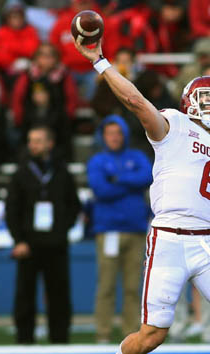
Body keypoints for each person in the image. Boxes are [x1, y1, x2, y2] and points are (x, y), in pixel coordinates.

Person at [73, 30, 210, 354]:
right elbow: (135, 101)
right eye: (208, 98)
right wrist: (100, 62)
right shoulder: (174, 124)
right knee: (152, 336)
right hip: (170, 238)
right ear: (189, 102)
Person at [5, 124, 81, 344]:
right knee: (25, 295)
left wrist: (61, 231)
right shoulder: (21, 172)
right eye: (30, 141)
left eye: (38, 141)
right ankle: (24, 341)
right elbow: (12, 209)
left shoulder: (62, 171)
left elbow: (73, 205)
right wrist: (18, 240)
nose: (33, 145)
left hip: (56, 245)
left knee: (59, 295)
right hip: (28, 245)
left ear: (50, 143)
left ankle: (60, 341)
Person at [87, 115, 153, 343]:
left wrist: (116, 179)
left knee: (133, 286)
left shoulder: (137, 156)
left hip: (135, 230)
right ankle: (102, 332)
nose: (114, 137)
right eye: (109, 133)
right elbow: (100, 189)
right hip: (108, 231)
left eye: (118, 133)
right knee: (106, 285)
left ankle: (131, 332)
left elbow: (148, 176)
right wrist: (131, 184)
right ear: (103, 136)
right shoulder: (97, 161)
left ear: (124, 134)